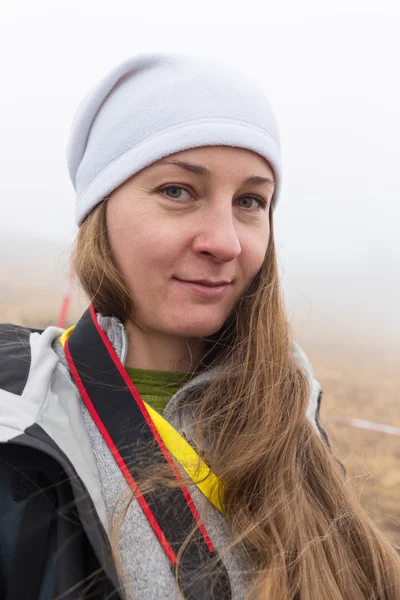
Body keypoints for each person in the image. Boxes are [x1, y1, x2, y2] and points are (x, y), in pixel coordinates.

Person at [0, 52, 399, 600]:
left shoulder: (291, 404)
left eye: (250, 201)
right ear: (101, 211)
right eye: (177, 191)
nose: (225, 241)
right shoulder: (17, 424)